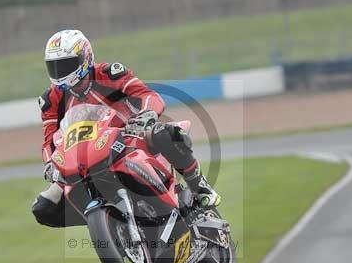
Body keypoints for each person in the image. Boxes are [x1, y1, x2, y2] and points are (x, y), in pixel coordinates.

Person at [31, 29, 220, 227]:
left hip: (128, 137)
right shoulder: (50, 99)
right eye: (54, 67)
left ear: (84, 57)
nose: (60, 73)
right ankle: (108, 223)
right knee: (44, 208)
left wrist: (146, 114)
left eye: (65, 65)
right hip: (80, 156)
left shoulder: (109, 73)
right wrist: (50, 163)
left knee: (168, 134)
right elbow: (49, 139)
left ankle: (200, 187)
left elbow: (148, 95)